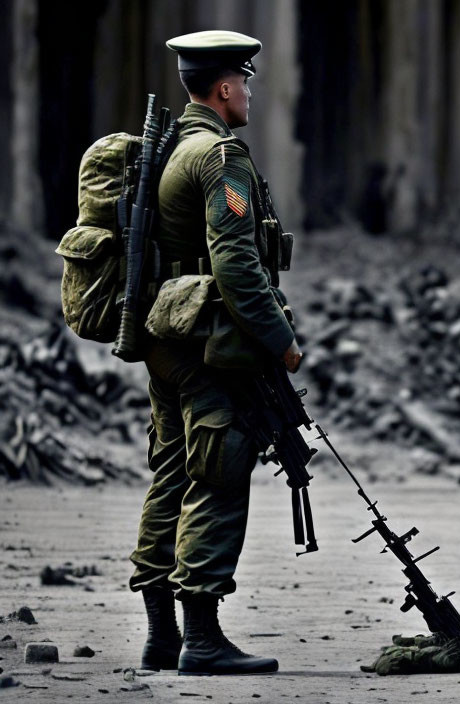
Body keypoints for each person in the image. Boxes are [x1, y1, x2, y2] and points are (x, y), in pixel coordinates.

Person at [128, 30, 303, 676]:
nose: (251, 93)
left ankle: (159, 636)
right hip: (208, 344)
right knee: (218, 471)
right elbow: (236, 266)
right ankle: (200, 638)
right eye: (246, 82)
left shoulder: (176, 149)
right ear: (224, 87)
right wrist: (281, 342)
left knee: (173, 471)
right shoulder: (220, 155)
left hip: (167, 339)